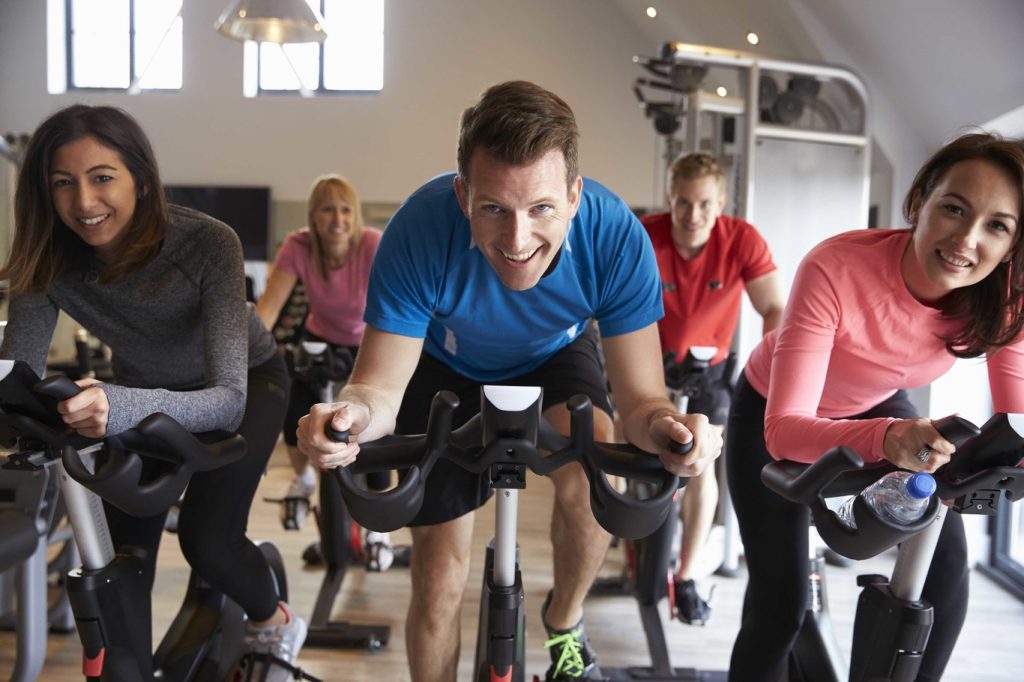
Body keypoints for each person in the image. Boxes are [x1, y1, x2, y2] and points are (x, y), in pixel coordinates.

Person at [297, 80, 723, 682]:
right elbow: (379, 391)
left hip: (555, 354)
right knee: (438, 576)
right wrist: (346, 420)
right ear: (463, 195)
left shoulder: (614, 237)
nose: (518, 240)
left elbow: (642, 404)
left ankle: (565, 620)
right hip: (445, 365)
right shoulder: (418, 230)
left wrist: (674, 431)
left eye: (542, 208)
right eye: (494, 208)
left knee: (594, 467)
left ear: (574, 196)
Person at [0, 104, 307, 678]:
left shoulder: (207, 242)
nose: (84, 202)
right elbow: (17, 375)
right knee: (124, 560)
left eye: (102, 177)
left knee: (208, 540)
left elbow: (227, 400)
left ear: (140, 178)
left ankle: (275, 621)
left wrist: (115, 405)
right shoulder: (47, 255)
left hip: (248, 384)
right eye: (63, 183)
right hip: (141, 392)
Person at [725, 132, 1024, 682]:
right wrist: (887, 438)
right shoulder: (837, 267)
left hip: (878, 406)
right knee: (781, 602)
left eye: (997, 226)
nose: (967, 240)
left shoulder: (1004, 294)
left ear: (1012, 244)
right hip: (773, 411)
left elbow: (1016, 419)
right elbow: (784, 431)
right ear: (919, 203)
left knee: (943, 571)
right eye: (954, 209)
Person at [640, 152, 784, 625]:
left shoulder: (740, 238)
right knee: (628, 457)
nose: (693, 215)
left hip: (712, 370)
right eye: (683, 202)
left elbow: (775, 308)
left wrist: (777, 370)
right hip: (650, 364)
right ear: (670, 198)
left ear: (720, 203)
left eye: (704, 204)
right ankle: (634, 556)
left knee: (701, 466)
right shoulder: (646, 235)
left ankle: (686, 576)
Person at [256, 174, 388, 547]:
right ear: (314, 215)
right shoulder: (298, 246)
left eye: (346, 210)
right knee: (295, 408)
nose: (337, 220)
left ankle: (379, 527)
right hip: (319, 340)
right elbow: (268, 310)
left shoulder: (373, 244)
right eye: (328, 210)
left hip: (367, 339)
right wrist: (245, 355)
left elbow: (395, 303)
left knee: (377, 429)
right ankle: (303, 479)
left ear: (355, 215)